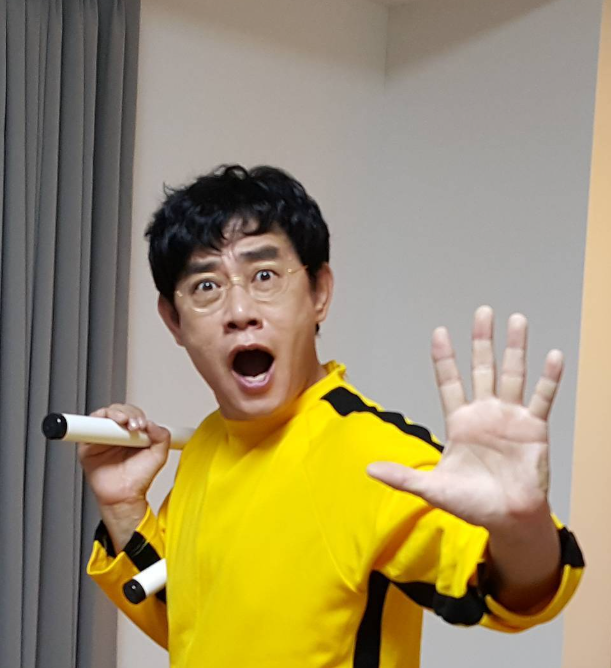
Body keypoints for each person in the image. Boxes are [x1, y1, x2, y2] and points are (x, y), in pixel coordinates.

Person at [80, 165, 583, 668]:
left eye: (264, 276)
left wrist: (522, 526)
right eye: (206, 286)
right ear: (174, 320)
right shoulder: (209, 444)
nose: (239, 311)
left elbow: (518, 592)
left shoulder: (373, 455)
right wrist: (124, 508)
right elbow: (192, 621)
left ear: (318, 292)